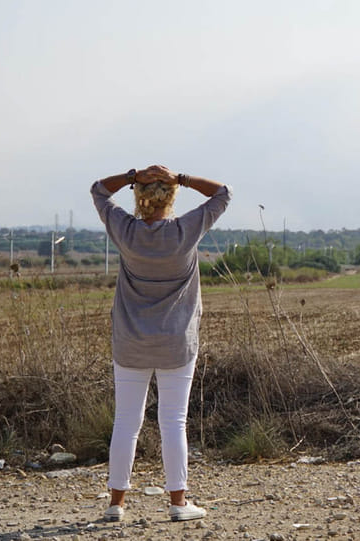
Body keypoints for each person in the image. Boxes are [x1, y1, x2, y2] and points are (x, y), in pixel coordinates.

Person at [91, 165, 232, 522]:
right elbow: (222, 193)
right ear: (170, 197)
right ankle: (178, 502)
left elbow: (98, 190)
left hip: (130, 342)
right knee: (173, 422)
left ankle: (116, 504)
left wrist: (131, 176)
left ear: (139, 198)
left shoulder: (126, 231)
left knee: (126, 422)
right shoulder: (187, 231)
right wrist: (181, 178)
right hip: (176, 343)